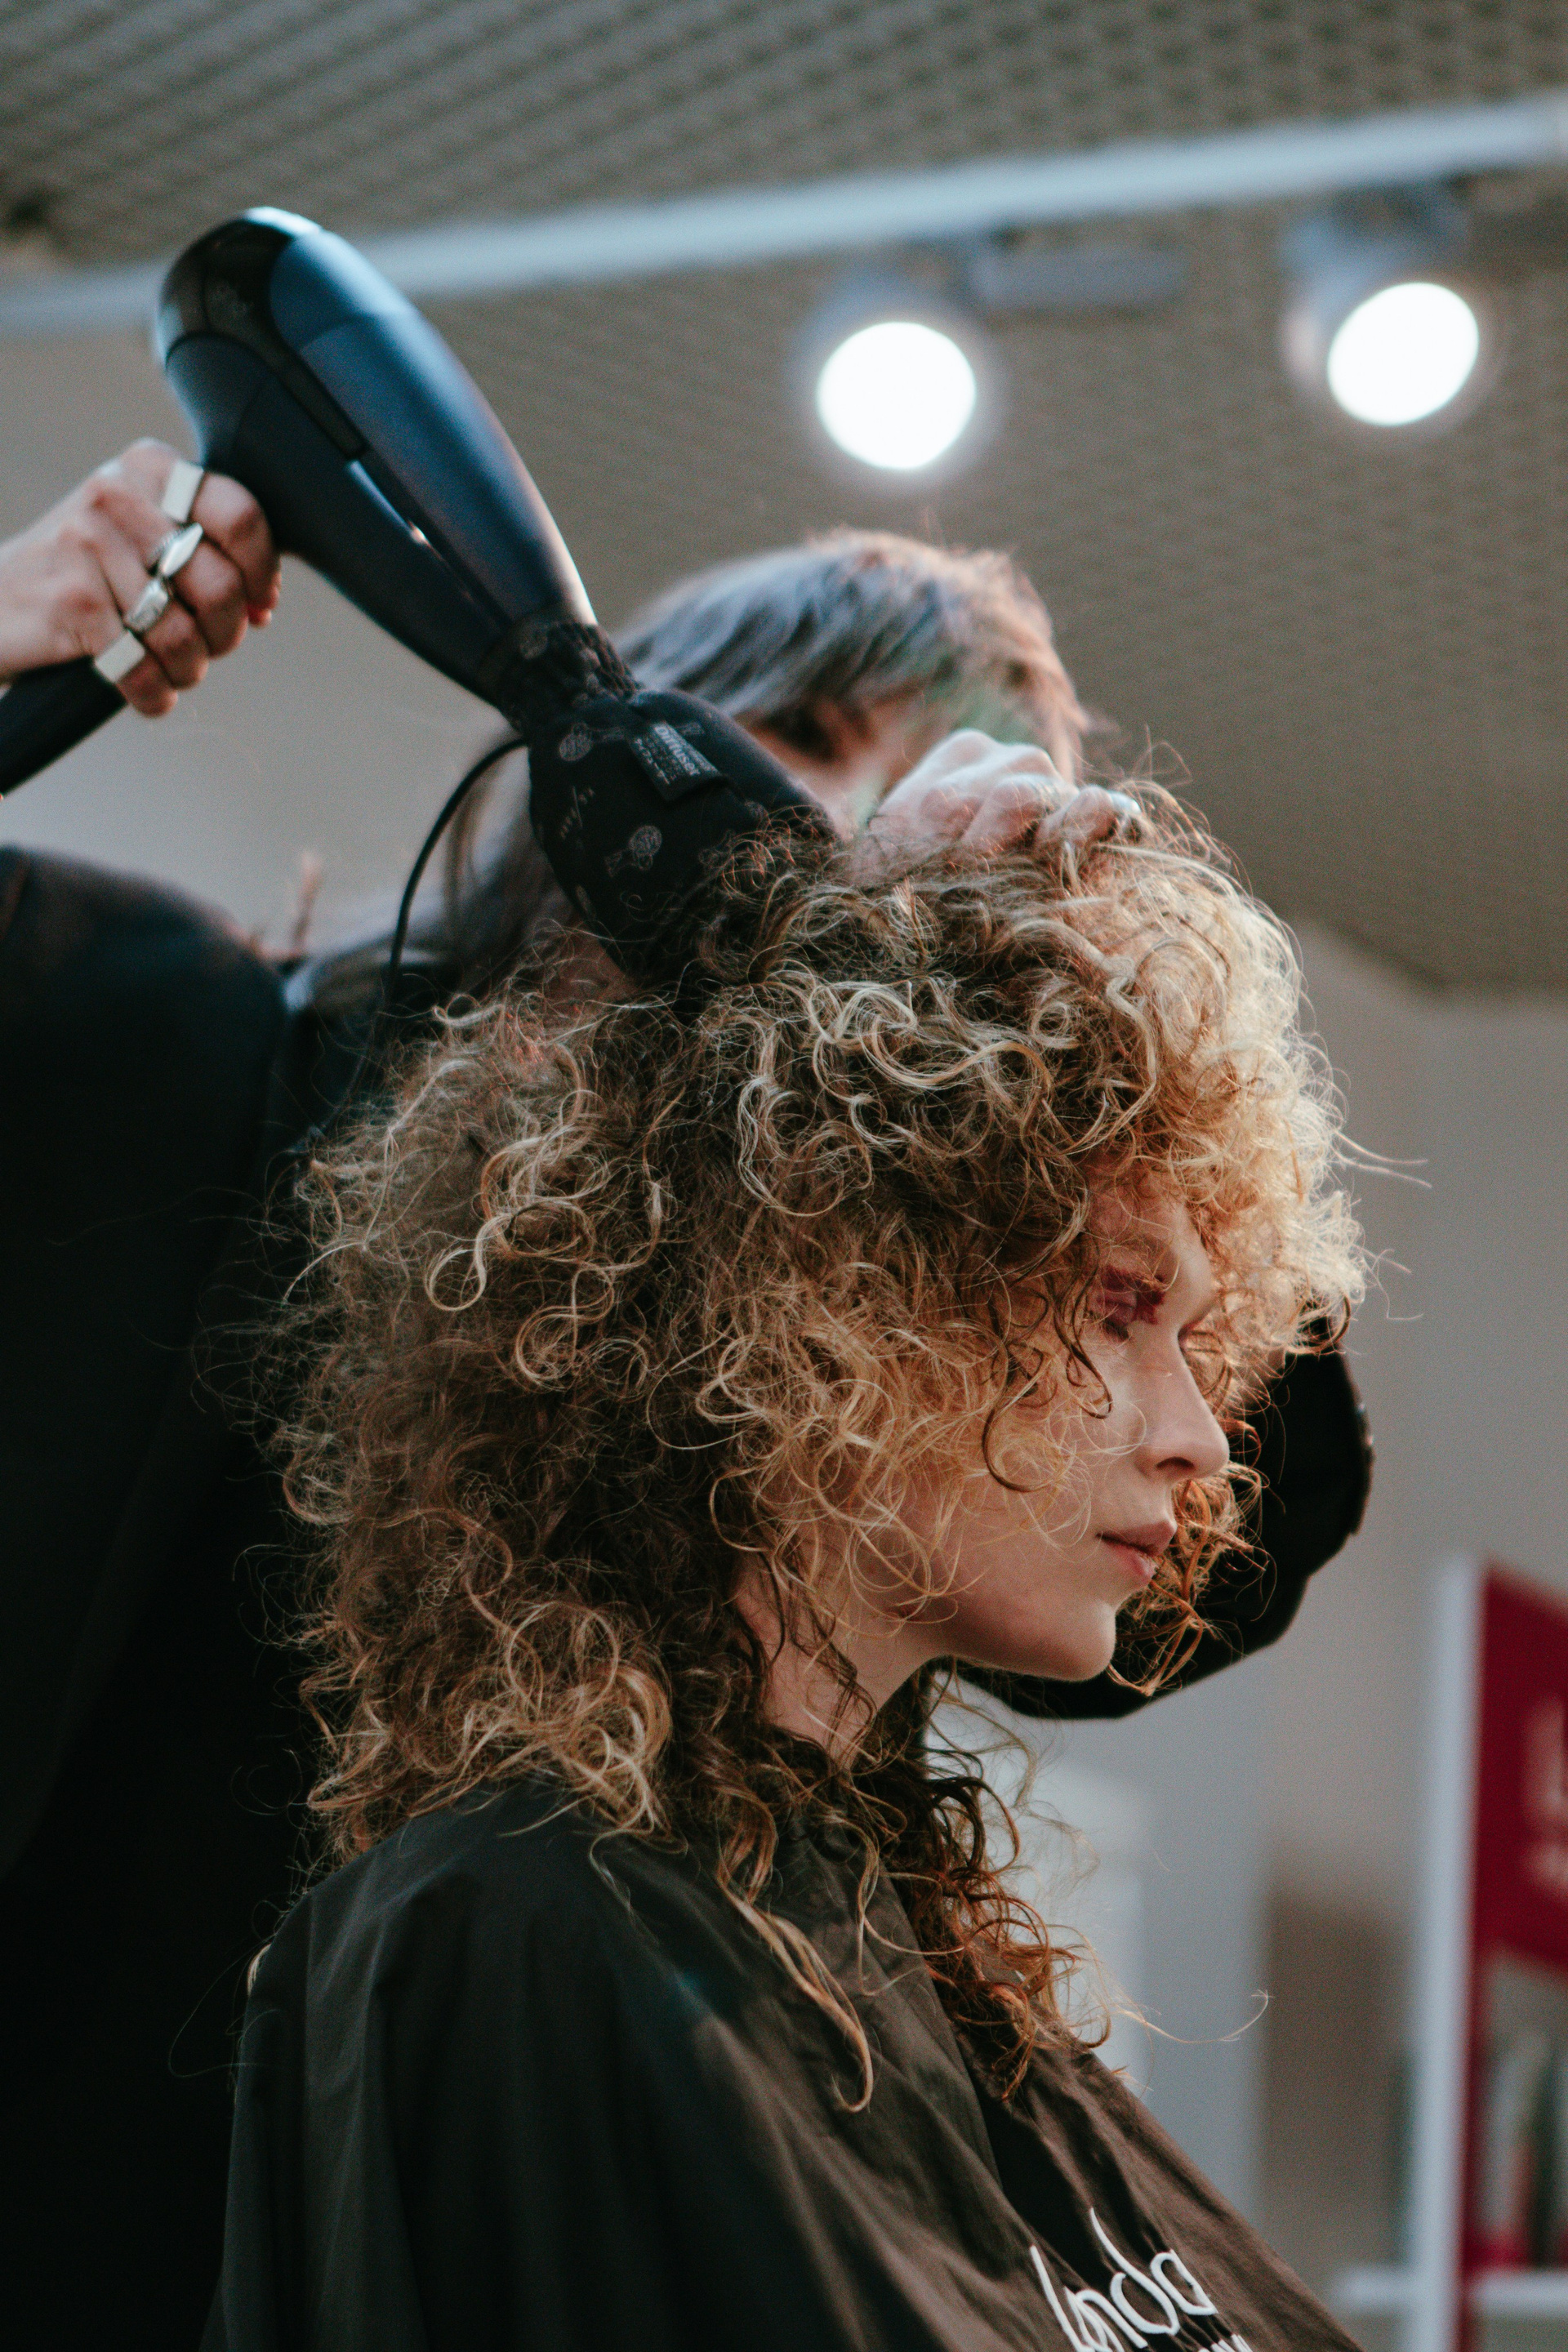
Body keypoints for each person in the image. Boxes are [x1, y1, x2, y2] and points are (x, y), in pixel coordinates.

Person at [0, 444, 1369, 2345]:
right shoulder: (201, 1061)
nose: (833, 827)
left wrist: (1063, 1058)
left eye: (928, 786)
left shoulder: (909, 1334)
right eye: (793, 739)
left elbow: (1228, 1503)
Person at [205, 791, 1367, 2349]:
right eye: (1114, 1310)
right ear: (832, 1295)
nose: (1200, 1441)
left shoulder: (929, 1979)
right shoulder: (513, 1945)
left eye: (1194, 1339)